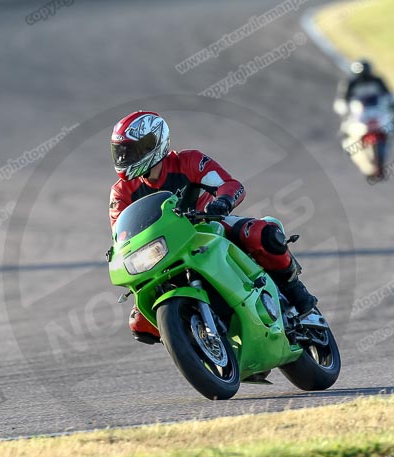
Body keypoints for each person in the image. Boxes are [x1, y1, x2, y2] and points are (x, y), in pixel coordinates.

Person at [109, 111, 318, 345]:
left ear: (153, 144)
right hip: (162, 250)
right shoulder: (121, 191)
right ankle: (192, 337)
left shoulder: (188, 161)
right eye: (121, 152)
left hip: (206, 227)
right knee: (140, 323)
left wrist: (222, 201)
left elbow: (230, 185)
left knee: (264, 235)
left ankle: (298, 296)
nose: (125, 158)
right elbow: (121, 235)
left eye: (131, 151)